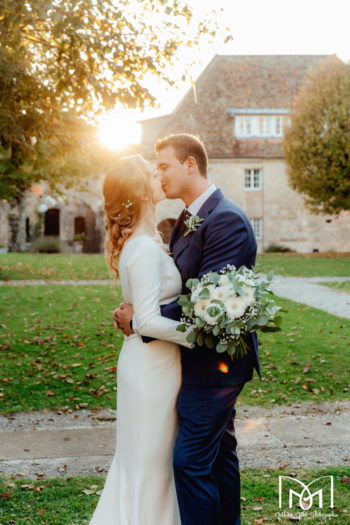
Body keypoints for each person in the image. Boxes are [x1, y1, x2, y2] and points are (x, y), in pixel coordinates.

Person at [115, 134, 261, 525]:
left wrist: (141, 319)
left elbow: (209, 308)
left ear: (190, 165)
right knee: (218, 456)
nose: (158, 174)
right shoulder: (185, 219)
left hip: (216, 367)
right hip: (191, 363)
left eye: (163, 166)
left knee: (189, 463)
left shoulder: (225, 219)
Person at [89, 154, 193, 525]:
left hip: (150, 365)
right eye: (153, 173)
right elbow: (147, 320)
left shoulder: (146, 240)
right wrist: (198, 335)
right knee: (150, 467)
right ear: (140, 192)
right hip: (151, 371)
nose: (160, 177)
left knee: (147, 465)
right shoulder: (145, 247)